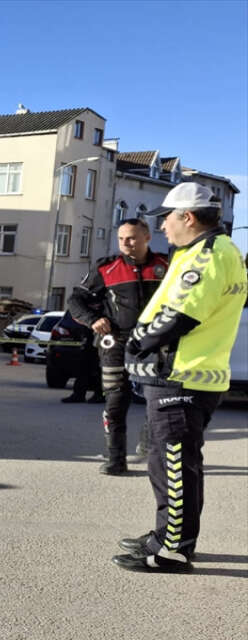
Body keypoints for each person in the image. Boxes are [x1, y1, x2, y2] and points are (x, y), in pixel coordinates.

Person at [113, 182, 246, 573]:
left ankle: (173, 548)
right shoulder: (215, 251)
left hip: (182, 376)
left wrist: (136, 343)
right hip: (185, 375)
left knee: (174, 466)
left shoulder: (208, 254)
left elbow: (181, 314)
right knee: (170, 464)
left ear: (187, 217)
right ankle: (166, 537)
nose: (164, 228)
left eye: (166, 218)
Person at [66, 218, 169, 474]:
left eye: (132, 238)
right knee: (115, 400)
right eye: (121, 238)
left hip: (155, 342)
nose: (126, 243)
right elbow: (75, 300)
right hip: (116, 341)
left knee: (158, 400)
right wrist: (93, 320)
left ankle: (151, 447)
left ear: (147, 237)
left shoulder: (166, 266)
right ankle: (115, 459)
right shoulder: (106, 268)